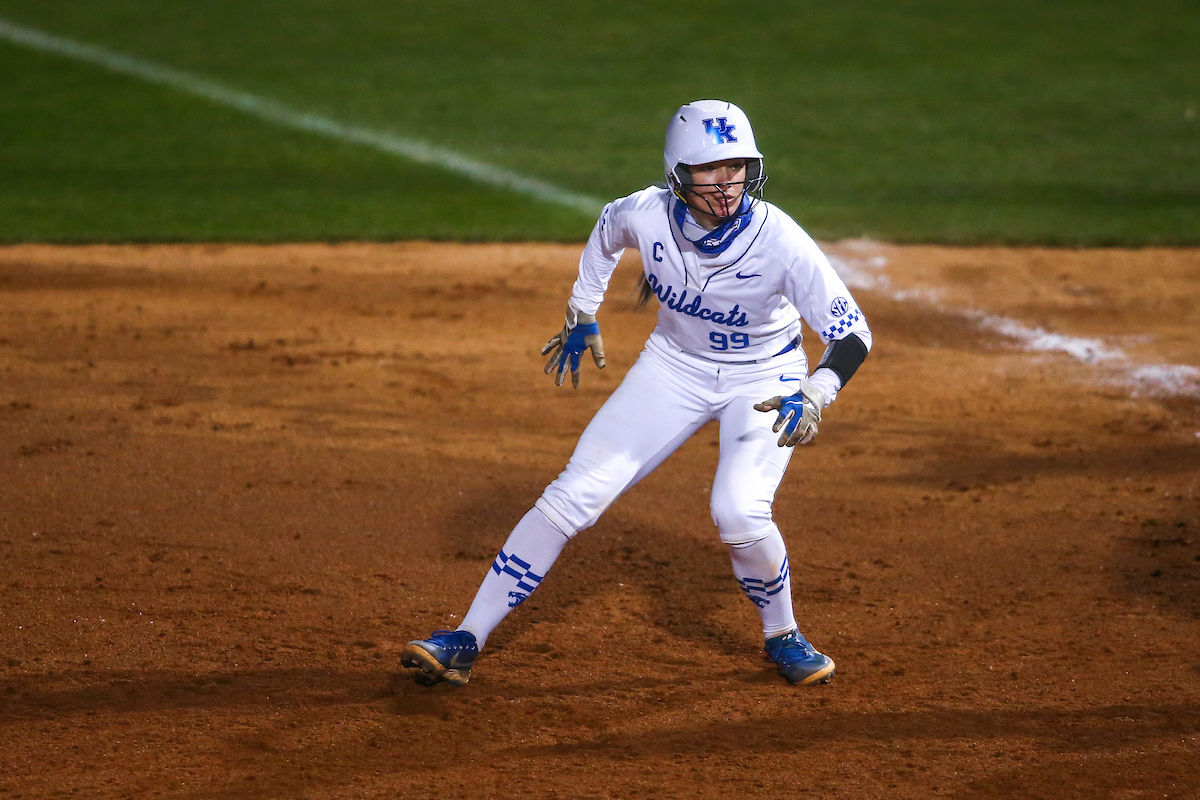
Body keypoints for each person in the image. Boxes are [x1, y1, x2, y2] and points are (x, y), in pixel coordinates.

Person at [401, 99, 872, 687]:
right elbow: (606, 229)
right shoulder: (647, 214)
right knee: (570, 495)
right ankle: (465, 638)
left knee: (738, 512)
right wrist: (582, 309)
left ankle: (783, 634)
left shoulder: (780, 240)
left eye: (736, 169)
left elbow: (851, 332)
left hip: (764, 377)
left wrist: (815, 391)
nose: (726, 186)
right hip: (672, 368)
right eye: (709, 172)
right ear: (679, 174)